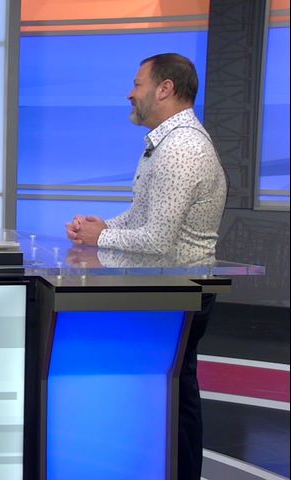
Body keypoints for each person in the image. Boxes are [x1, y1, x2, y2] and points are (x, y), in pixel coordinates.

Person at [65, 53, 227, 480]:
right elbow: (144, 218)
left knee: (175, 394)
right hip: (170, 290)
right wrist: (102, 227)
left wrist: (101, 238)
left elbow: (158, 240)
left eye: (138, 84)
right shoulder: (166, 143)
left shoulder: (183, 148)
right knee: (172, 392)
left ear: (165, 88)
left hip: (180, 292)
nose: (130, 93)